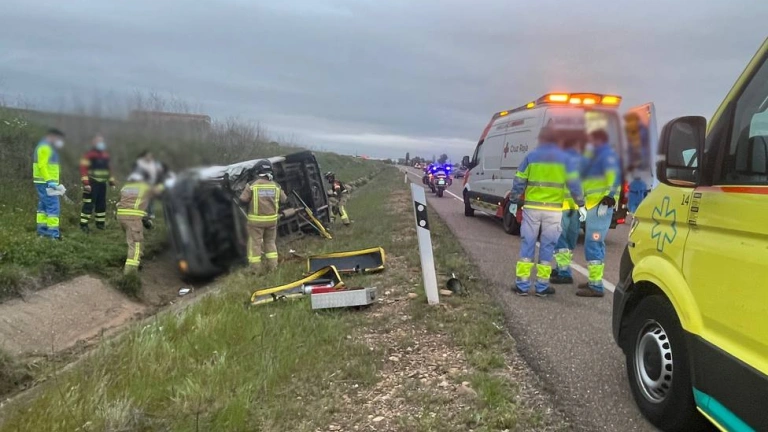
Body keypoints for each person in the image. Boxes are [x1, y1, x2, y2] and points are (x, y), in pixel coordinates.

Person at [510, 128, 585, 297]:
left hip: (532, 209)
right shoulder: (565, 160)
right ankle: (542, 287)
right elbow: (574, 184)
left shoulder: (531, 157)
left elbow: (519, 180)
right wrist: (581, 204)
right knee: (547, 247)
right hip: (553, 210)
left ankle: (522, 285)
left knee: (527, 245)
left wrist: (514, 201)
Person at [577, 129, 621, 297]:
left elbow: (615, 178)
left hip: (600, 205)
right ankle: (593, 280)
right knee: (593, 243)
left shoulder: (606, 156)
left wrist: (609, 197)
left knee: (594, 243)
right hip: (593, 205)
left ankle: (596, 286)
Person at [551, 134, 587, 284]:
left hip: (562, 206)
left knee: (561, 239)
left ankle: (564, 272)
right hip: (577, 208)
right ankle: (561, 267)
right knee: (570, 240)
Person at [239, 160, 287, 272]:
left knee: (255, 244)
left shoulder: (252, 185)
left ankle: (255, 269)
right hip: (272, 221)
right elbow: (284, 200)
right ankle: (273, 267)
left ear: (258, 171)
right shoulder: (276, 186)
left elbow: (242, 200)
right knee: (270, 243)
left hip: (256, 222)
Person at [116, 171, 164, 273]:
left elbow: (125, 202)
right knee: (135, 245)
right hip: (132, 219)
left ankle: (137, 263)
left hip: (122, 218)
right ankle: (130, 273)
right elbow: (157, 190)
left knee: (132, 242)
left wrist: (144, 218)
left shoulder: (125, 188)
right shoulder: (144, 187)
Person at [32, 128, 66, 239]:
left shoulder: (45, 146)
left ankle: (42, 231)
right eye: (58, 138)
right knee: (53, 207)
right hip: (46, 182)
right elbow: (42, 165)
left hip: (43, 181)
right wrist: (49, 181)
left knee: (43, 206)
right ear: (52, 136)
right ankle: (53, 235)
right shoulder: (45, 147)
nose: (59, 141)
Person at [79, 134, 116, 233]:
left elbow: (109, 170)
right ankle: (83, 225)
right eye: (98, 141)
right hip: (92, 183)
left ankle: (100, 224)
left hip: (102, 184)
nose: (101, 143)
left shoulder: (105, 155)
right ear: (93, 143)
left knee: (101, 205)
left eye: (101, 141)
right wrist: (86, 183)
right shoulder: (88, 155)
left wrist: (112, 182)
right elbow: (83, 169)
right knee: (88, 204)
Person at [131, 150, 165, 228]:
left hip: (151, 183)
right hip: (142, 183)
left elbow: (158, 172)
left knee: (151, 198)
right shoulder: (139, 163)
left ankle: (151, 213)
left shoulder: (154, 164)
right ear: (144, 156)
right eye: (147, 156)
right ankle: (143, 213)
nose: (149, 157)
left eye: (150, 156)